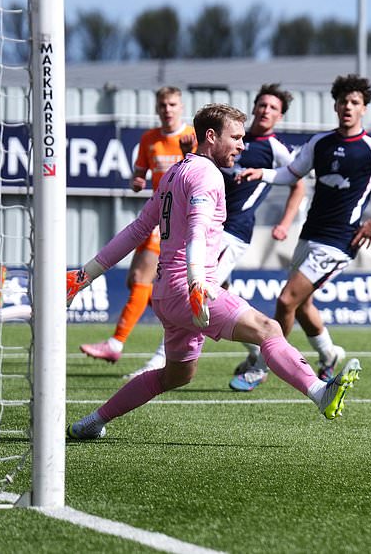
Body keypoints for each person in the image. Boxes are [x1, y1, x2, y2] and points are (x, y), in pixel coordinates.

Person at [65, 104, 362, 440]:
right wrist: (196, 283)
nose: (241, 145)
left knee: (176, 376)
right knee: (269, 328)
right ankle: (320, 393)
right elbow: (196, 229)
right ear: (211, 136)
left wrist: (85, 274)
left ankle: (92, 421)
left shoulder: (176, 172)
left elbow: (137, 230)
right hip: (188, 289)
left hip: (165, 293)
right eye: (235, 137)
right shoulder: (208, 175)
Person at [121, 84, 308, 387]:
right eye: (261, 105)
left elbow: (298, 181)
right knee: (221, 299)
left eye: (272, 108)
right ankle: (262, 350)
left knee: (198, 296)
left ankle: (161, 362)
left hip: (233, 230)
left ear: (280, 116)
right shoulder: (228, 141)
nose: (265, 111)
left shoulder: (273, 148)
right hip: (213, 229)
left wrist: (286, 221)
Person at [238, 74, 371, 386]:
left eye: (355, 102)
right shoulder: (320, 143)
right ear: (335, 105)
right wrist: (261, 172)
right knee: (302, 305)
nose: (348, 106)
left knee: (287, 300)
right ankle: (328, 354)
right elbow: (290, 174)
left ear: (364, 109)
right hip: (309, 234)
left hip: (341, 240)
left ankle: (261, 367)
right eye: (344, 101)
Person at [80, 86, 196, 364]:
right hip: (155, 212)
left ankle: (116, 343)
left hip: (174, 216)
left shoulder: (191, 137)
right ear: (157, 108)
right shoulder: (149, 140)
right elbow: (140, 172)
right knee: (137, 280)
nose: (167, 109)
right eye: (162, 105)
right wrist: (138, 181)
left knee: (143, 278)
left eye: (172, 104)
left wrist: (187, 154)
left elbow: (199, 171)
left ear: (181, 107)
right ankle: (252, 348)